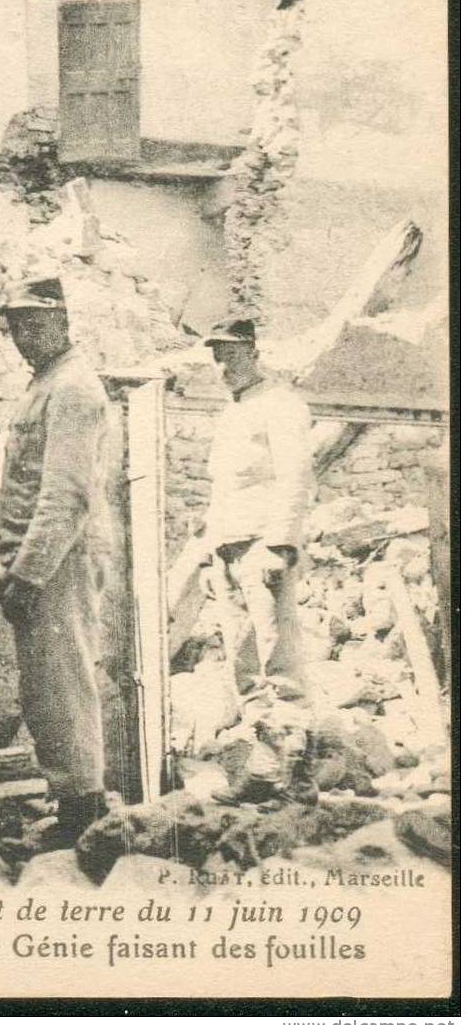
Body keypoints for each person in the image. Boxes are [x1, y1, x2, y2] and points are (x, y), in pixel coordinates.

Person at [0, 276, 110, 847]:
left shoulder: (73, 388)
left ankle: (84, 809)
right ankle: (70, 798)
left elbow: (66, 494)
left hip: (58, 559)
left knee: (62, 681)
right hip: (35, 556)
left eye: (35, 323)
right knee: (44, 684)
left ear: (62, 320)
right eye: (15, 325)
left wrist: (29, 572)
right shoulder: (46, 384)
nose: (23, 335)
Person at [199, 316, 317, 804]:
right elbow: (225, 489)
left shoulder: (282, 405)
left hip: (262, 549)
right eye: (216, 355)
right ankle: (265, 771)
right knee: (245, 666)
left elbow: (296, 477)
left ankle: (301, 777)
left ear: (252, 350)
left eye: (229, 353)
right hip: (229, 549)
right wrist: (212, 554)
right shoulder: (234, 412)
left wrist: (281, 544)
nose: (222, 364)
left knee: (279, 665)